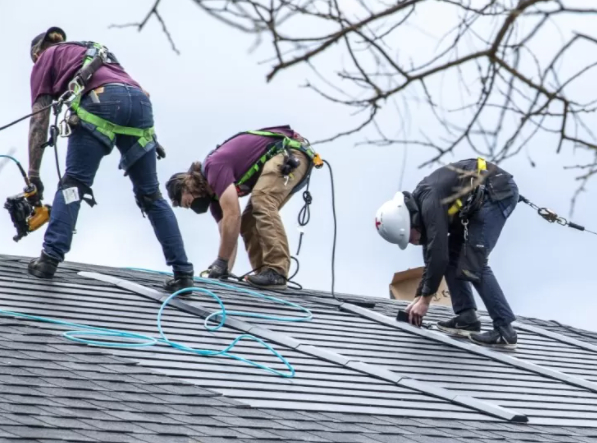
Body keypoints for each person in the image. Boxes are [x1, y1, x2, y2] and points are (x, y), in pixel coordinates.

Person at [26, 26, 194, 291]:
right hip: (139, 105)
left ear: (37, 54)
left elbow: (39, 119)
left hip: (101, 101)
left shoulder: (45, 58)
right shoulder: (93, 51)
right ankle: (183, 274)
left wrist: (33, 174)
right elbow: (133, 94)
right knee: (151, 196)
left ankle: (49, 259)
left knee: (73, 184)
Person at [375, 158, 519, 348]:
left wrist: (425, 302)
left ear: (410, 223)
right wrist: (419, 297)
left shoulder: (429, 203)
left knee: (474, 262)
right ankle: (467, 317)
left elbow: (438, 255)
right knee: (453, 252)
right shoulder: (422, 210)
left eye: (409, 238)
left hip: (495, 194)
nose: (412, 243)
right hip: (478, 200)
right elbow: (433, 257)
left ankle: (505, 331)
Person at [165, 126, 317, 290]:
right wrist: (222, 272)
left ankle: (276, 271)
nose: (192, 207)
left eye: (188, 202)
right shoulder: (215, 198)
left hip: (289, 153)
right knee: (248, 222)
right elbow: (229, 232)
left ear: (188, 185)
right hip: (284, 159)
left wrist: (221, 262)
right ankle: (264, 273)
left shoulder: (213, 167)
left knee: (263, 200)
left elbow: (233, 215)